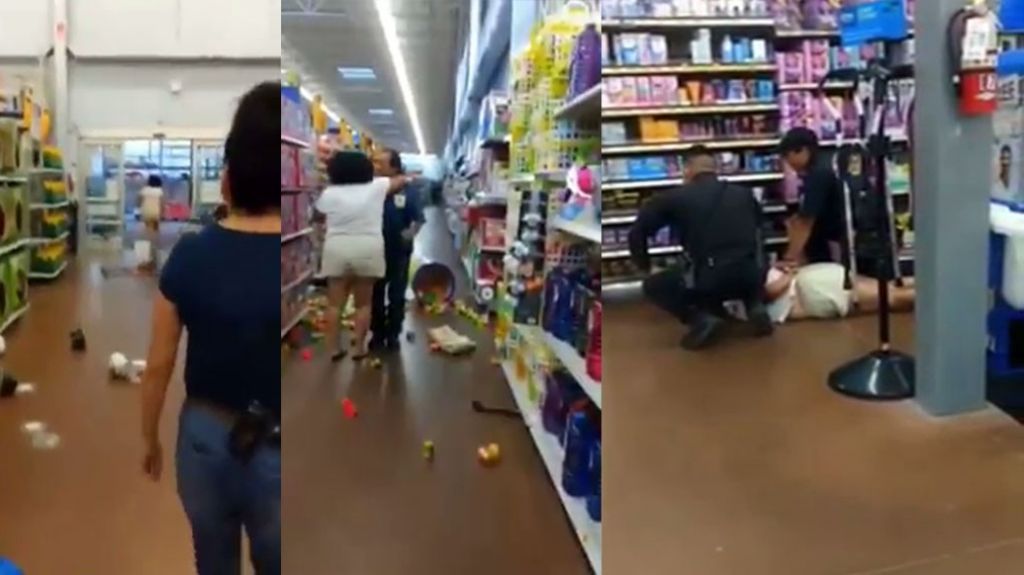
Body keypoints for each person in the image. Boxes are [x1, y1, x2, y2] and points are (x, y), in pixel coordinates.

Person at [140, 81, 281, 575]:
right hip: (282, 446)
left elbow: (158, 365)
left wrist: (149, 437)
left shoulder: (192, 255)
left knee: (213, 561)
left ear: (229, 177)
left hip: (206, 436)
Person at [629, 146, 772, 350]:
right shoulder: (744, 194)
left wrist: (644, 267)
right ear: (715, 169)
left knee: (654, 286)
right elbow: (760, 231)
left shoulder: (673, 198)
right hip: (751, 275)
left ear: (687, 169)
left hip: (708, 277)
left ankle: (701, 319)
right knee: (740, 265)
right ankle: (754, 305)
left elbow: (637, 233)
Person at [316, 151, 408, 360]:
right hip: (368, 248)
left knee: (334, 304)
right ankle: (359, 348)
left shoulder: (330, 193)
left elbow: (317, 216)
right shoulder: (376, 187)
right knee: (363, 304)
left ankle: (333, 348)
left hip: (336, 248)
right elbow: (402, 180)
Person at [370, 148, 424, 351]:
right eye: (373, 162)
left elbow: (418, 220)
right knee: (375, 293)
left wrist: (408, 236)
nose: (375, 166)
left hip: (398, 250)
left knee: (396, 293)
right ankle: (377, 333)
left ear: (393, 166)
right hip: (373, 248)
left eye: (380, 163)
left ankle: (393, 334)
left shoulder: (408, 190)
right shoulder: (370, 187)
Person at [759, 262, 915, 323]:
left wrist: (788, 276)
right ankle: (933, 285)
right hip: (815, 281)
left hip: (816, 290)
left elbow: (766, 292)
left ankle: (936, 296)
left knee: (889, 296)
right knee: (888, 289)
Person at [778, 127, 845, 266]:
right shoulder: (816, 173)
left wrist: (789, 259)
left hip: (830, 249)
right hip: (824, 246)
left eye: (787, 155)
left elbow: (805, 222)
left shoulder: (819, 175)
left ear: (803, 150)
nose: (788, 162)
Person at [139, 174, 164, 270]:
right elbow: (162, 203)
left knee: (148, 230)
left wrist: (140, 207)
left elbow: (139, 201)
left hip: (146, 212)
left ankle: (149, 248)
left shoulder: (144, 190)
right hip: (156, 212)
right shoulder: (159, 191)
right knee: (155, 231)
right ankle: (154, 249)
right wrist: (162, 213)